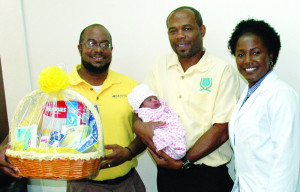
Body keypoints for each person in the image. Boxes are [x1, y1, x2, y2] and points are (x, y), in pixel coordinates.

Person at [133, 6, 240, 192]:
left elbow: (222, 129)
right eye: (173, 31)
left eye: (187, 28)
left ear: (202, 30)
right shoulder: (160, 65)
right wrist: (138, 125)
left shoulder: (222, 71)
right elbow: (139, 108)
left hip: (208, 176)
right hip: (168, 174)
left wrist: (184, 162)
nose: (180, 36)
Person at [67, 24, 146, 192]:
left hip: (128, 184)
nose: (98, 49)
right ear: (79, 48)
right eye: (91, 43)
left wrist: (128, 152)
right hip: (82, 185)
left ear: (111, 49)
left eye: (104, 44)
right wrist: (4, 147)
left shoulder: (130, 86)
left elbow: (146, 132)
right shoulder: (62, 88)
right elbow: (30, 126)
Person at [227, 19, 300, 192]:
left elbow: (286, 162)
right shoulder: (248, 94)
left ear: (271, 55)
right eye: (241, 54)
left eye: (256, 52)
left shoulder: (281, 96)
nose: (247, 61)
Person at [128, 84, 186, 160]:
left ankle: (179, 149)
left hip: (169, 127)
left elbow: (172, 115)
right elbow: (147, 123)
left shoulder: (163, 107)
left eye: (155, 98)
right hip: (158, 129)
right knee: (157, 134)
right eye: (149, 100)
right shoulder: (144, 112)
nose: (154, 101)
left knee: (177, 133)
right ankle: (171, 151)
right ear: (142, 106)